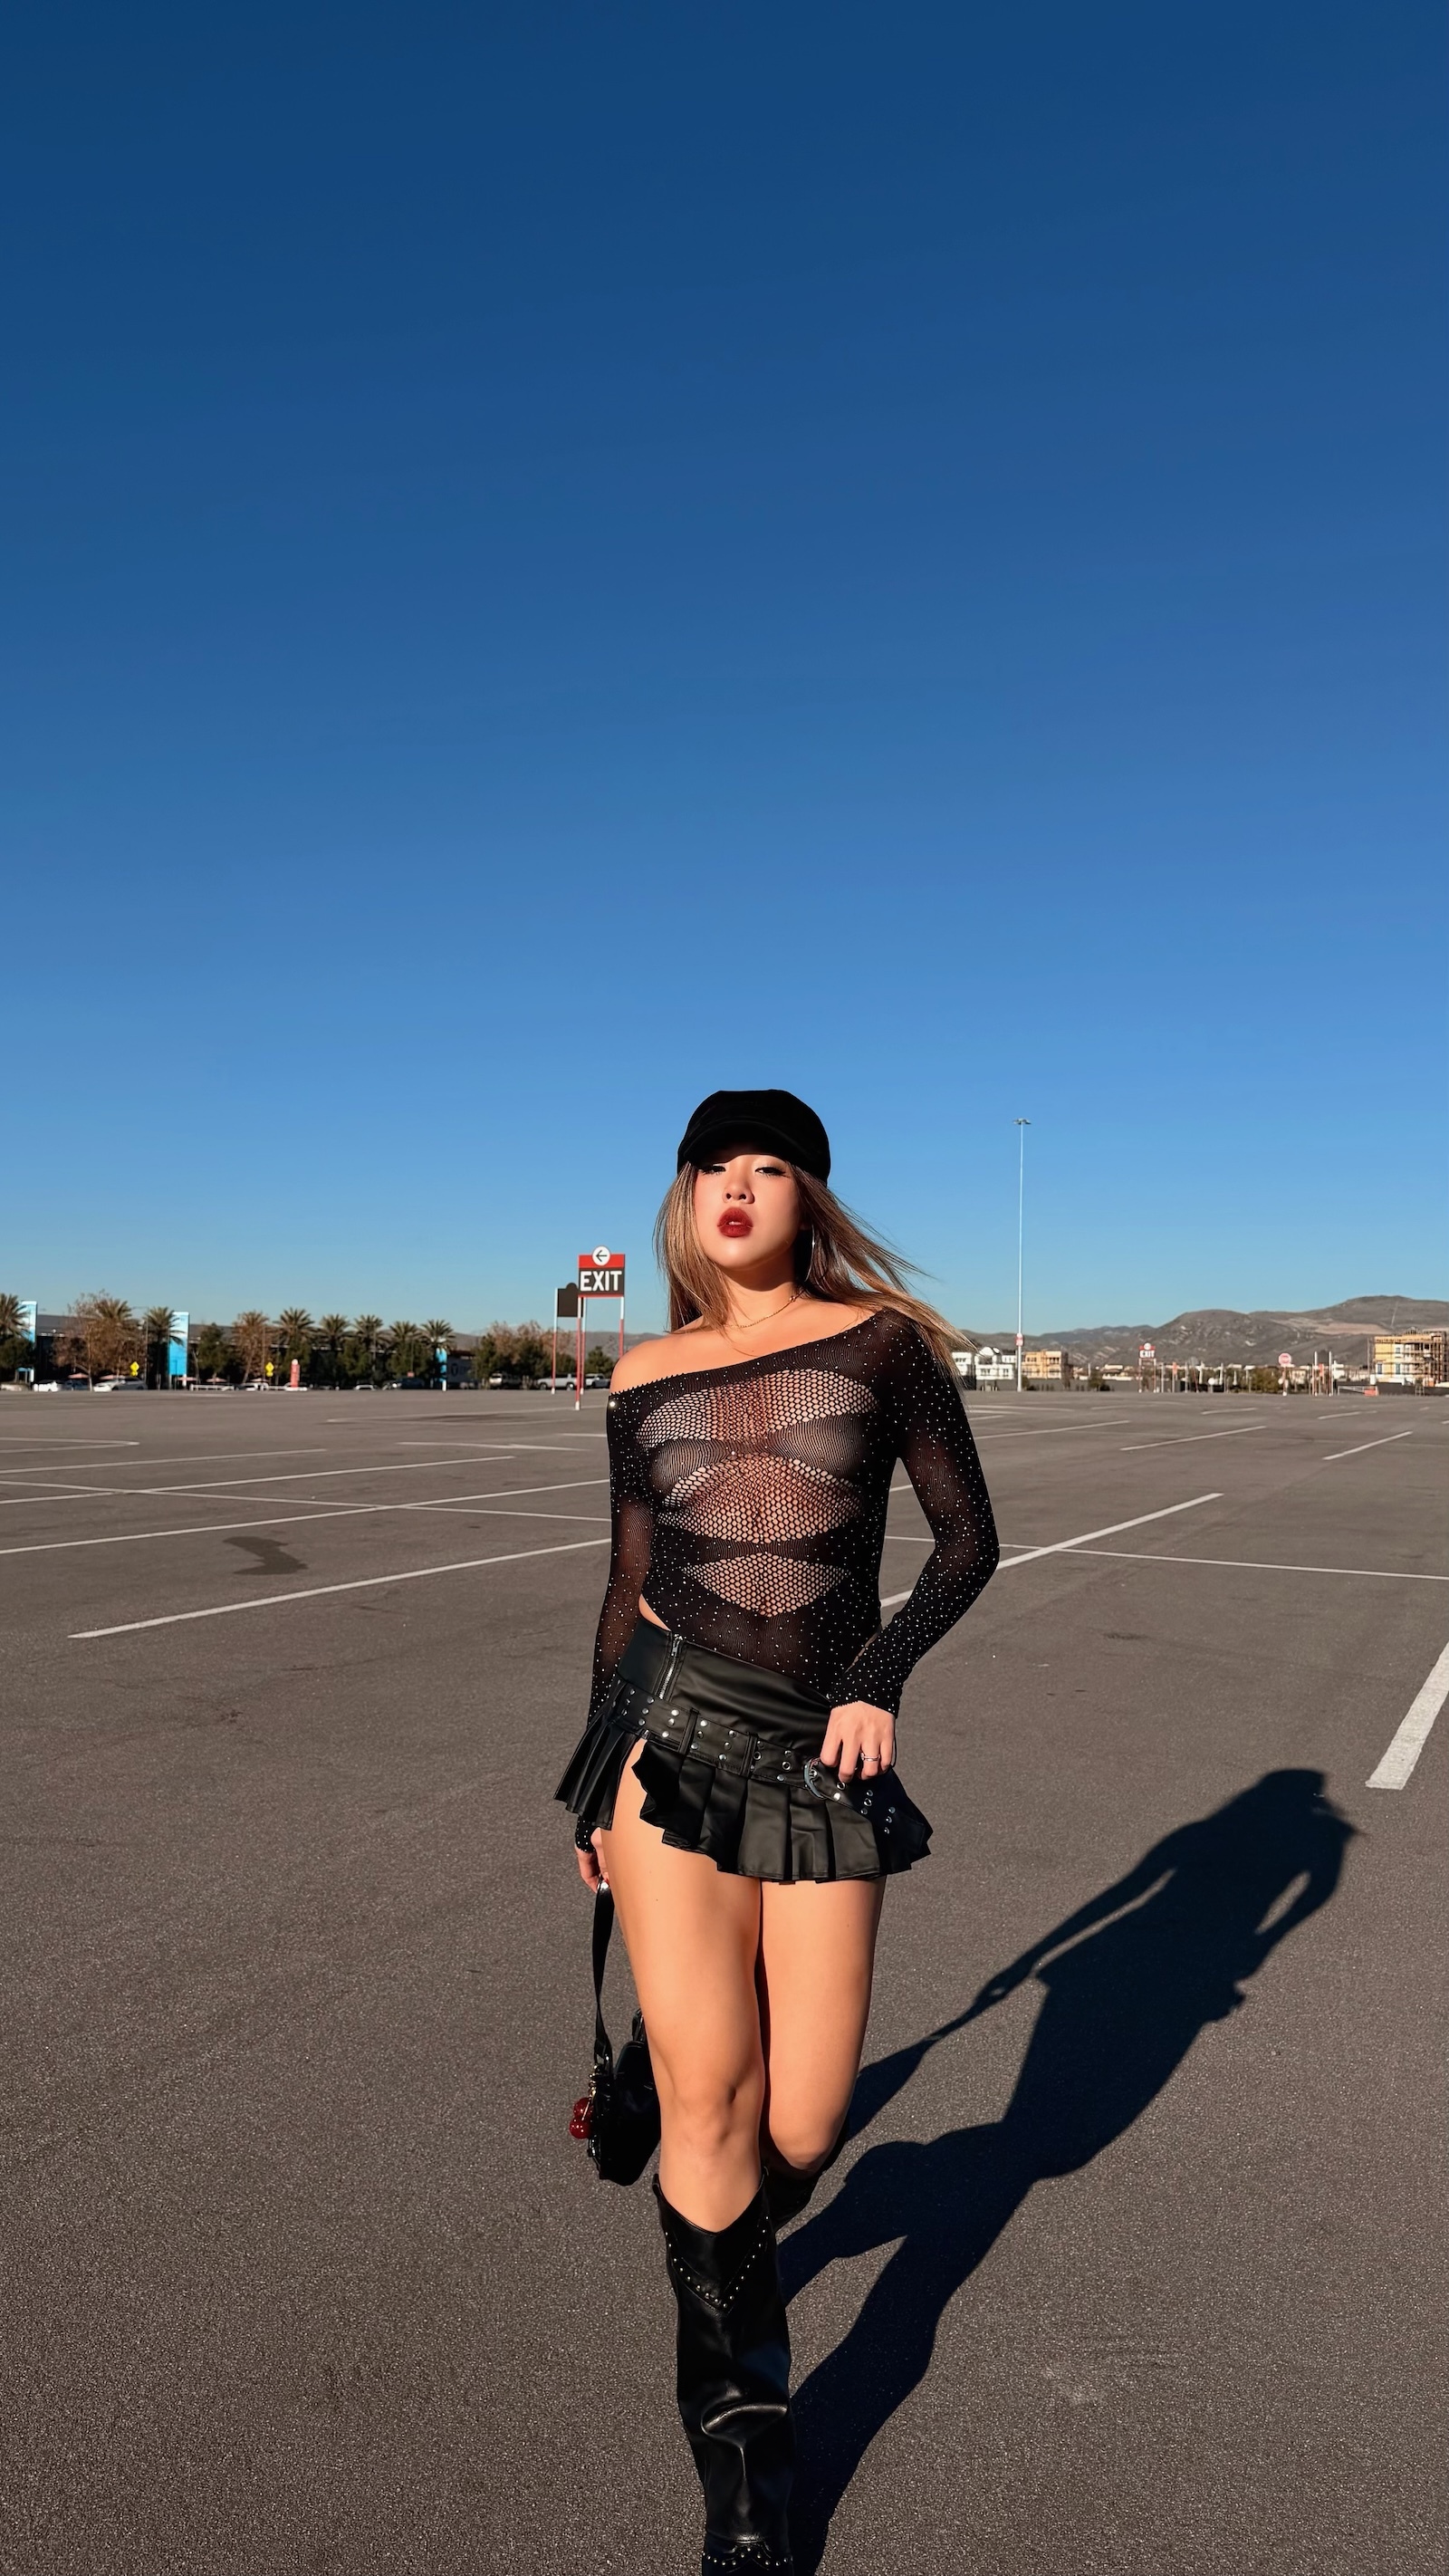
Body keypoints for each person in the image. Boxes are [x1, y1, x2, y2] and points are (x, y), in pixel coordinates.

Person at [556, 1088, 999, 2574]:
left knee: (801, 2122)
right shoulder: (644, 1370)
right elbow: (628, 1583)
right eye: (714, 1169)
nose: (737, 1189)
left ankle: (713, 2184)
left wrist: (880, 1676)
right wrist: (592, 1777)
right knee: (713, 2106)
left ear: (809, 1197)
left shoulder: (882, 1343)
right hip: (667, 1730)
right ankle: (748, 2473)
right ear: (686, 1198)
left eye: (769, 1168)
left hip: (820, 1749)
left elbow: (968, 1539)